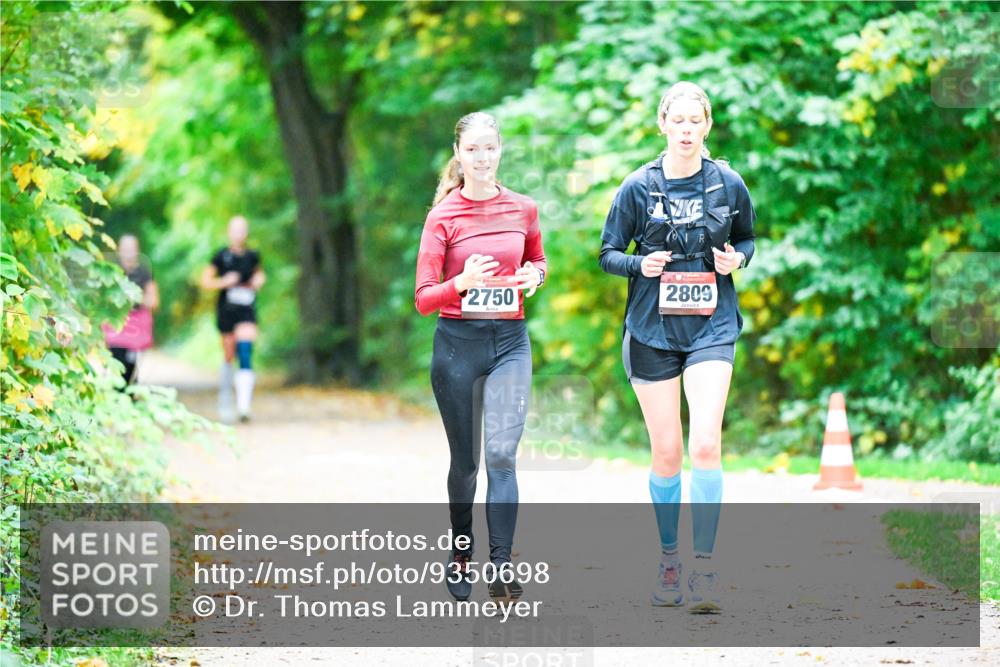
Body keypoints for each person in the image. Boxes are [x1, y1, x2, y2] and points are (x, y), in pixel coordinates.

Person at [598, 82, 756, 613]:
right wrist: (638, 264)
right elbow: (607, 253)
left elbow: (748, 237)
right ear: (662, 124)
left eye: (696, 121)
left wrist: (738, 259)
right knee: (667, 453)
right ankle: (670, 559)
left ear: (707, 126)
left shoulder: (728, 182)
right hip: (652, 330)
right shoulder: (637, 188)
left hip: (712, 325)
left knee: (705, 444)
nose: (687, 130)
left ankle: (705, 567)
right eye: (678, 120)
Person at [415, 112, 546, 603]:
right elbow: (424, 298)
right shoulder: (443, 217)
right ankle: (461, 549)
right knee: (467, 463)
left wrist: (535, 276)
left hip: (510, 344)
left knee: (502, 455)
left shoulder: (523, 208)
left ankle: (502, 564)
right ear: (458, 154)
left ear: (500, 149)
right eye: (472, 149)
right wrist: (462, 282)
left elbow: (537, 259)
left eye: (490, 147)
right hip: (457, 347)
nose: (482, 157)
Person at [200, 216, 265, 423]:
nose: (239, 234)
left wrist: (258, 281)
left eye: (242, 230)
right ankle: (226, 399)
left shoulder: (253, 256)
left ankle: (244, 406)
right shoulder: (221, 256)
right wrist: (224, 282)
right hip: (227, 310)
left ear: (247, 233)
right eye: (235, 230)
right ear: (229, 232)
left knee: (245, 351)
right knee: (229, 354)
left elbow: (260, 275)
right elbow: (205, 281)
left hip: (247, 309)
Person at [104, 234, 159, 388]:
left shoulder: (144, 273)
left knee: (131, 371)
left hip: (136, 329)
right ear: (118, 250)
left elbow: (154, 301)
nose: (128, 252)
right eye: (125, 248)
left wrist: (135, 297)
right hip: (115, 327)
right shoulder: (110, 271)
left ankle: (129, 395)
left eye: (131, 248)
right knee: (115, 368)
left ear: (137, 250)